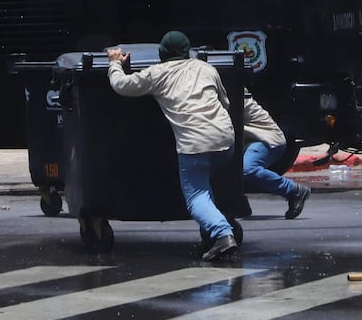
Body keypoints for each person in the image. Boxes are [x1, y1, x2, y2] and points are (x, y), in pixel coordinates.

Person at [106, 30, 239, 261]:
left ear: (162, 54)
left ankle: (222, 235)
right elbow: (225, 102)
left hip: (193, 145)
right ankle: (211, 231)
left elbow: (121, 86)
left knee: (196, 196)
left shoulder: (157, 73)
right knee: (204, 187)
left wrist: (115, 64)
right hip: (226, 141)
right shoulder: (207, 68)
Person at [243, 95, 311, 219]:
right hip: (246, 142)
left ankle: (293, 190)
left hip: (266, 139)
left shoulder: (233, 96)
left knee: (248, 168)